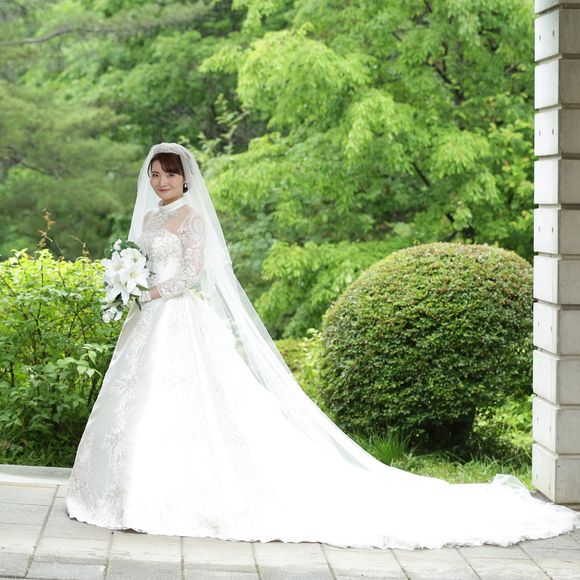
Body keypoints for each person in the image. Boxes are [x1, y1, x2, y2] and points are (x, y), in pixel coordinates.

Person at [66, 142, 580, 550]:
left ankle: (176, 496)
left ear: (186, 179)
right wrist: (129, 284)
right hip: (148, 320)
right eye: (154, 175)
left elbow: (193, 272)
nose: (161, 182)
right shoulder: (151, 219)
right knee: (140, 403)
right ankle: (128, 491)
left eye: (169, 175)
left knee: (186, 403)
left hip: (177, 315)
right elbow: (141, 261)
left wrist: (151, 291)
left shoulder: (190, 218)